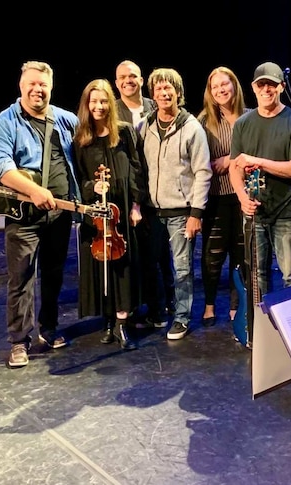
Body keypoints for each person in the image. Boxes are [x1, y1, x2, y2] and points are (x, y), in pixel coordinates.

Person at [0, 61, 80, 368]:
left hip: (60, 213)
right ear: (21, 86)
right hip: (23, 215)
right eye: (32, 84)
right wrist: (33, 191)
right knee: (22, 277)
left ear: (51, 88)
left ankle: (48, 329)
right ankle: (18, 340)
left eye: (44, 85)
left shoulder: (66, 120)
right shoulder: (5, 121)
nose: (38, 89)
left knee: (53, 274)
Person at [230, 62, 291, 338]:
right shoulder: (242, 124)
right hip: (254, 212)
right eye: (260, 84)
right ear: (253, 88)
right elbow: (234, 167)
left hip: (286, 210)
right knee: (258, 275)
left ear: (280, 87)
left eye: (271, 84)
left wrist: (259, 162)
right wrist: (241, 198)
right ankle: (263, 332)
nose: (266, 89)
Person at [139, 67, 212, 340]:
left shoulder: (192, 128)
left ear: (178, 93)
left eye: (169, 88)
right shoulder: (144, 126)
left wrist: (196, 213)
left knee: (182, 268)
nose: (164, 92)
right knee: (153, 265)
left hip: (182, 212)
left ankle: (181, 317)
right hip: (152, 211)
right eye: (158, 88)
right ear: (153, 95)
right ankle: (158, 311)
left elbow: (203, 171)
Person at [73, 79, 145, 350]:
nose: (99, 106)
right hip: (97, 213)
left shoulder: (124, 133)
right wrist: (93, 186)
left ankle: (122, 323)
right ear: (86, 104)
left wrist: (137, 205)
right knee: (100, 264)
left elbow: (138, 170)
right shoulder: (81, 140)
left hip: (123, 210)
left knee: (122, 267)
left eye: (103, 101)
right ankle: (106, 319)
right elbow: (78, 180)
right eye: (93, 101)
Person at [114, 59, 173, 328]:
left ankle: (162, 305)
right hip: (126, 192)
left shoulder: (155, 105)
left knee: (159, 253)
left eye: (134, 76)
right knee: (133, 254)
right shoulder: (111, 110)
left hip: (158, 191)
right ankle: (133, 306)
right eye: (123, 77)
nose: (128, 81)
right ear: (117, 83)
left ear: (141, 80)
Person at [197, 67, 248, 326]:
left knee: (241, 254)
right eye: (215, 87)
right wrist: (234, 160)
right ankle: (208, 305)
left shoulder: (250, 117)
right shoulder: (203, 122)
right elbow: (203, 163)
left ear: (234, 85)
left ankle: (236, 304)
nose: (220, 90)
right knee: (213, 255)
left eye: (224, 84)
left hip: (244, 198)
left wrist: (226, 160)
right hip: (216, 197)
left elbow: (252, 155)